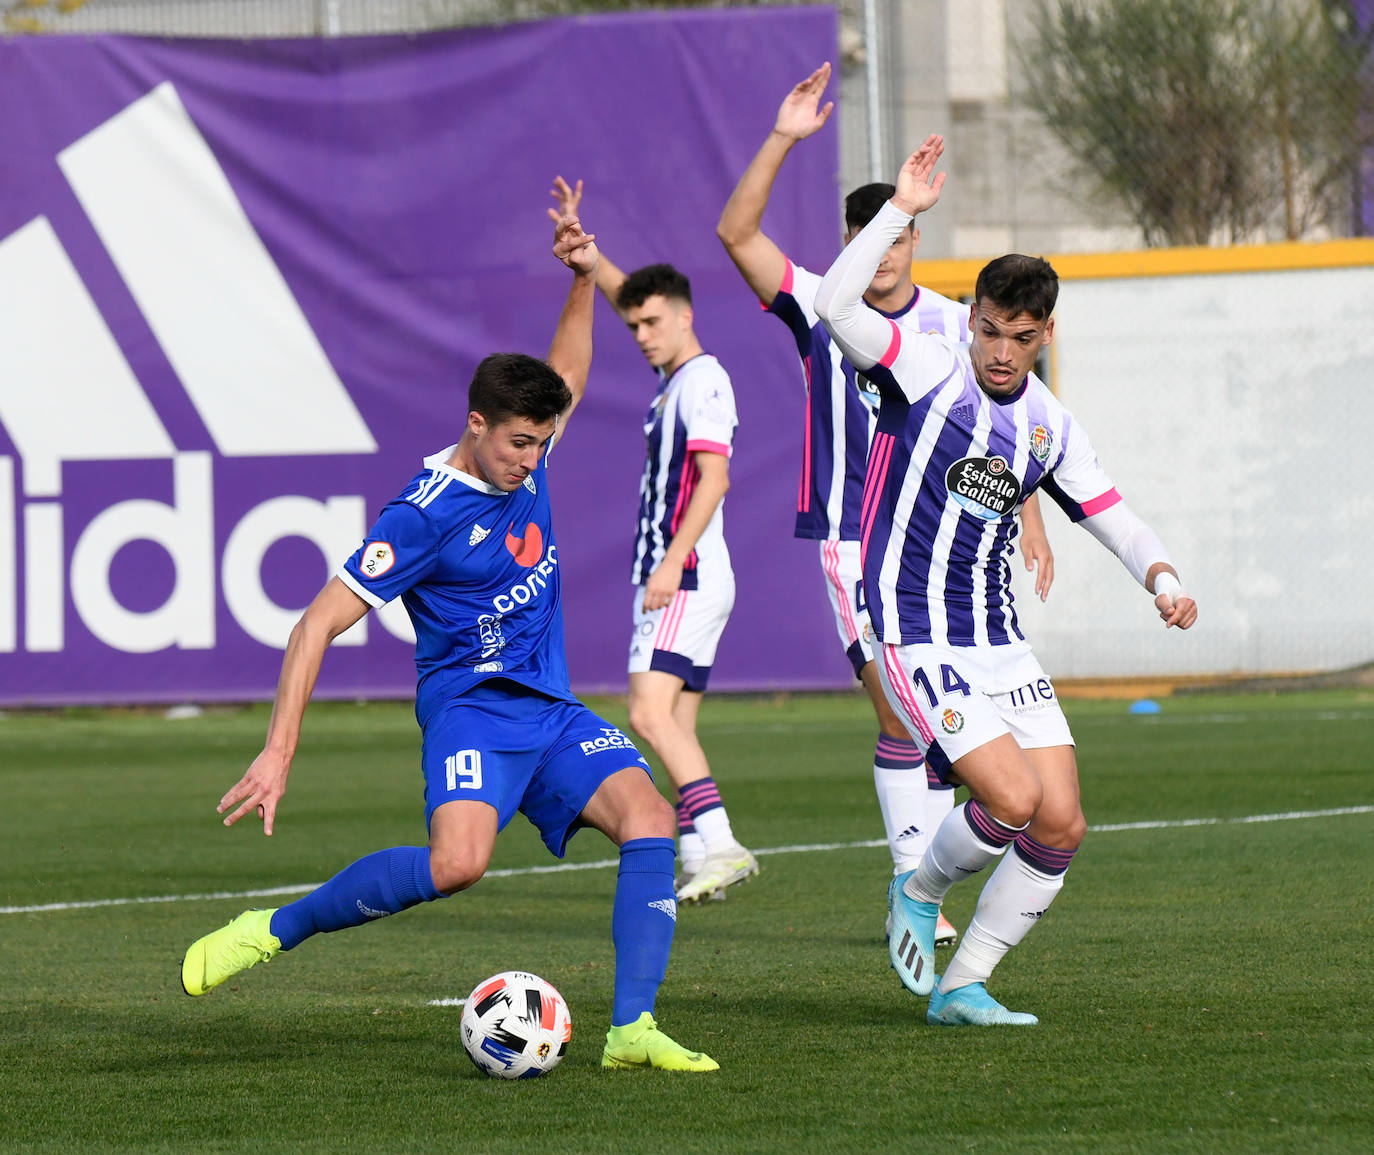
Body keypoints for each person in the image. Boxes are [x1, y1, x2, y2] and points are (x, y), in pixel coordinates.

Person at [179, 212, 719, 1072]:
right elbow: (314, 623)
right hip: (470, 712)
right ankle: (271, 929)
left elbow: (568, 370)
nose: (531, 458)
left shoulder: (530, 449)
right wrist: (279, 751)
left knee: (651, 818)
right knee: (458, 863)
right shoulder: (422, 516)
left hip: (548, 708)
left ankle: (631, 1030)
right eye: (517, 442)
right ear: (476, 424)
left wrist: (581, 277)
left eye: (542, 441)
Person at [814, 135, 1197, 1026]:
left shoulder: (1049, 426)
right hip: (911, 626)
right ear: (972, 313)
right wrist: (899, 210)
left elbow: (1112, 514)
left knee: (1060, 823)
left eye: (1019, 338)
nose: (998, 350)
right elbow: (834, 302)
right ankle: (919, 885)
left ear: (1044, 335)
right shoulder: (923, 364)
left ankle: (964, 983)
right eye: (988, 328)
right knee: (1011, 797)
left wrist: (1163, 574)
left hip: (997, 638)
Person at [715, 63, 1055, 947]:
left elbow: (1005, 427)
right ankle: (915, 878)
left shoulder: (954, 325)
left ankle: (925, 876)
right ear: (852, 239)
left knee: (944, 720)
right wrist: (786, 135)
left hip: (945, 544)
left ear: (913, 240)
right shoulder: (814, 304)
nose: (885, 248)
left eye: (897, 233)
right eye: (869, 232)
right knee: (903, 711)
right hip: (852, 535)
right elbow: (734, 230)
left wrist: (1029, 513)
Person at [545, 178, 757, 905]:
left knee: (644, 714)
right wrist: (590, 256)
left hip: (685, 572)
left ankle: (722, 843)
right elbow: (632, 297)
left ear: (687, 317)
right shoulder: (677, 376)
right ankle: (702, 853)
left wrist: (670, 562)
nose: (641, 333)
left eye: (654, 322)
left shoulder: (701, 380)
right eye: (634, 325)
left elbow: (716, 477)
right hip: (689, 572)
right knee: (675, 723)